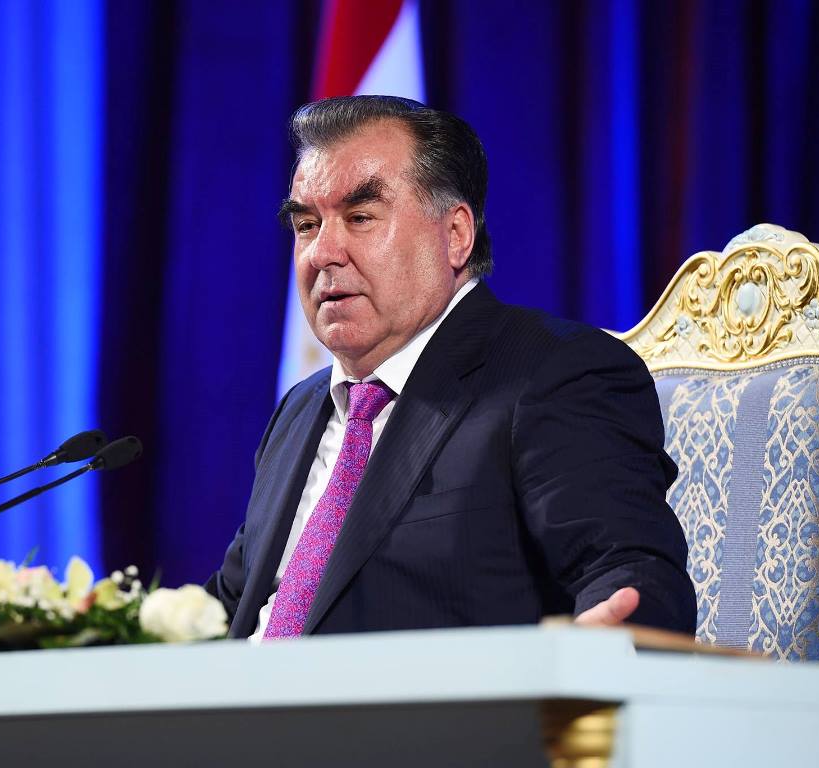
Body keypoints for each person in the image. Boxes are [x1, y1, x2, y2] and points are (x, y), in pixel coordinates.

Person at [206, 95, 696, 640]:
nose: (322, 253)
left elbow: (630, 578)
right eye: (306, 225)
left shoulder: (555, 374)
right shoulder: (300, 410)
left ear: (457, 234)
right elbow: (225, 612)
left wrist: (600, 647)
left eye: (360, 218)